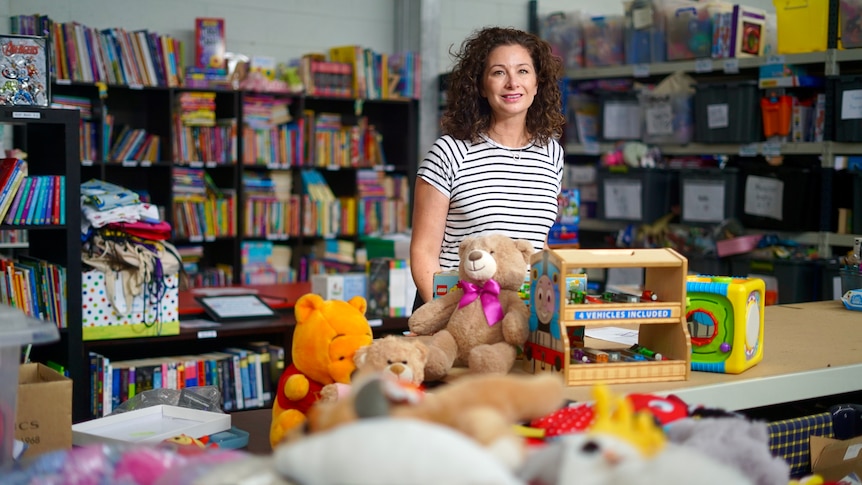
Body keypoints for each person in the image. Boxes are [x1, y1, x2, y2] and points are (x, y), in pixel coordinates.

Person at [410, 26, 566, 309]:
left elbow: (536, 243)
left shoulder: (551, 154)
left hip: (523, 315)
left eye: (523, 71)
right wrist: (447, 319)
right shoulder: (449, 151)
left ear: (537, 83)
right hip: (458, 313)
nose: (512, 83)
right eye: (498, 72)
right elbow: (423, 252)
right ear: (481, 86)